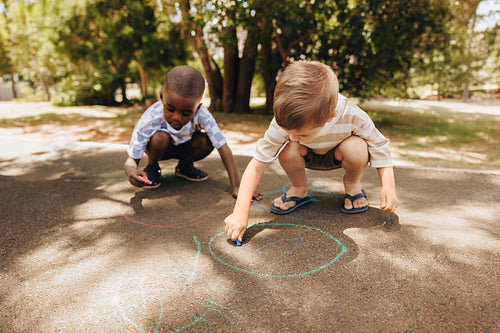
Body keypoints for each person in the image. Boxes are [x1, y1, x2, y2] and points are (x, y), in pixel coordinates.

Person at [224, 60, 398, 243]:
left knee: (357, 146)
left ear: (331, 117)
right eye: (288, 132)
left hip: (339, 155)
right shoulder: (284, 124)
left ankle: (352, 184)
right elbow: (257, 164)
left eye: (301, 133)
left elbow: (379, 145)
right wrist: (240, 213)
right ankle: (299, 188)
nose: (292, 137)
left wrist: (388, 187)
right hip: (305, 156)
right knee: (288, 147)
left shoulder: (352, 114)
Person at [124, 65, 249, 199]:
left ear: (198, 107)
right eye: (170, 109)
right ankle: (153, 168)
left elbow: (223, 147)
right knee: (160, 137)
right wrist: (131, 170)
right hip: (160, 149)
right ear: (162, 97)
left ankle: (184, 167)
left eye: (186, 113)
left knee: (206, 141)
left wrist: (237, 186)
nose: (177, 117)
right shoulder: (151, 117)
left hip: (185, 148)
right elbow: (132, 159)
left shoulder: (203, 114)